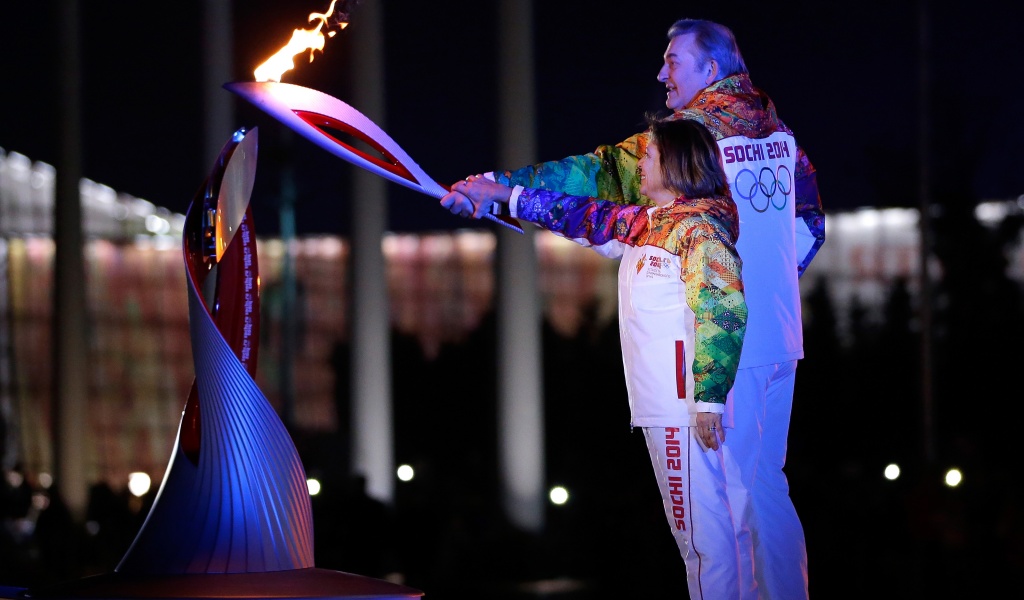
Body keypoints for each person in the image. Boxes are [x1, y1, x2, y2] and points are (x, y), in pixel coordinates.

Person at [442, 18, 824, 599]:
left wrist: (497, 186)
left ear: (710, 69)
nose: (661, 73)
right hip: (778, 337)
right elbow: (811, 228)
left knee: (722, 508)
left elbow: (596, 177)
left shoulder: (687, 136)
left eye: (674, 61)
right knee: (765, 488)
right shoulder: (780, 133)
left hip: (718, 346)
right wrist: (765, 283)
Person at [448, 116, 749, 598]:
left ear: (676, 164)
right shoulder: (650, 225)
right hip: (668, 409)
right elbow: (580, 216)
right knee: (702, 536)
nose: (641, 163)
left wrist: (708, 401)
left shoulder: (697, 232)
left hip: (683, 410)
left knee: (703, 539)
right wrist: (499, 194)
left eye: (649, 155)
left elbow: (724, 310)